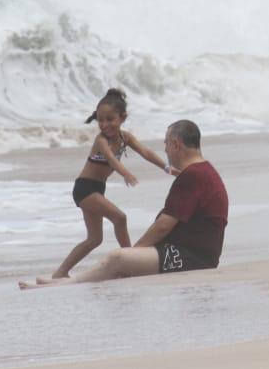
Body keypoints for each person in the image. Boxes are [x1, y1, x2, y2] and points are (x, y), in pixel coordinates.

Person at [22, 120, 227, 288]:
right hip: (195, 253)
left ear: (176, 144)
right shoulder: (204, 170)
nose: (164, 149)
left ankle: (67, 283)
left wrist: (134, 253)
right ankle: (66, 279)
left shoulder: (193, 175)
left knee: (118, 259)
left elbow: (163, 225)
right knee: (121, 261)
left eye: (166, 144)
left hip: (190, 258)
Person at [47, 89, 175, 280]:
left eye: (110, 119)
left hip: (97, 189)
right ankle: (131, 263)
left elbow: (146, 152)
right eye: (101, 120)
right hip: (85, 188)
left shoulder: (125, 138)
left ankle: (60, 272)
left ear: (122, 118)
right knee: (120, 218)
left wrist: (166, 168)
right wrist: (126, 173)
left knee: (94, 239)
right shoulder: (101, 140)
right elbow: (110, 160)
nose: (105, 124)